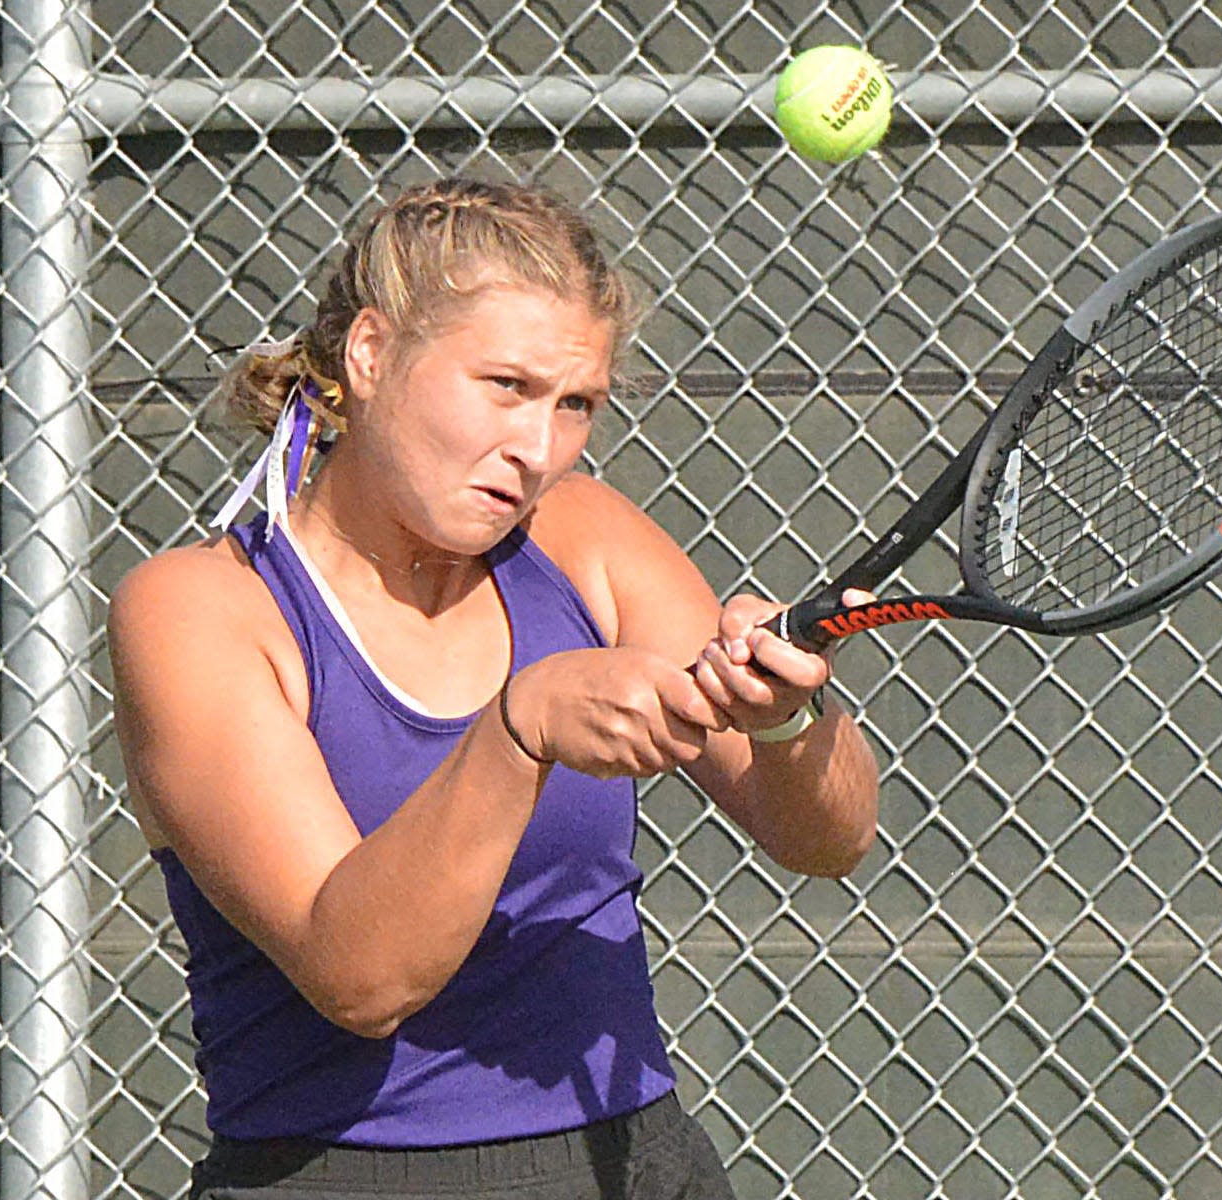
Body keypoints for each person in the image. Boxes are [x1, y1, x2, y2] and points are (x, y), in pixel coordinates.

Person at [107, 175, 880, 1200]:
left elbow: (829, 840)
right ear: (371, 355)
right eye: (504, 387)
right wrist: (519, 730)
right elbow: (362, 976)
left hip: (634, 1161)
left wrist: (786, 716)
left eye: (575, 406)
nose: (536, 449)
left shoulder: (588, 541)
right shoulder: (199, 609)